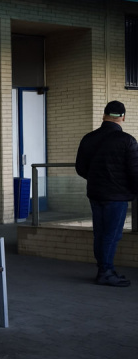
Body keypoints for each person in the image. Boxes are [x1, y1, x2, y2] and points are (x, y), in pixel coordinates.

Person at [75, 100, 138, 287]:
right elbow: (135, 172)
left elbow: (80, 168)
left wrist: (97, 180)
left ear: (104, 115)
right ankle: (105, 272)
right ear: (123, 117)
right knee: (112, 235)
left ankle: (105, 268)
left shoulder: (88, 138)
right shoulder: (127, 140)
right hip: (116, 196)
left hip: (96, 194)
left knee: (100, 233)